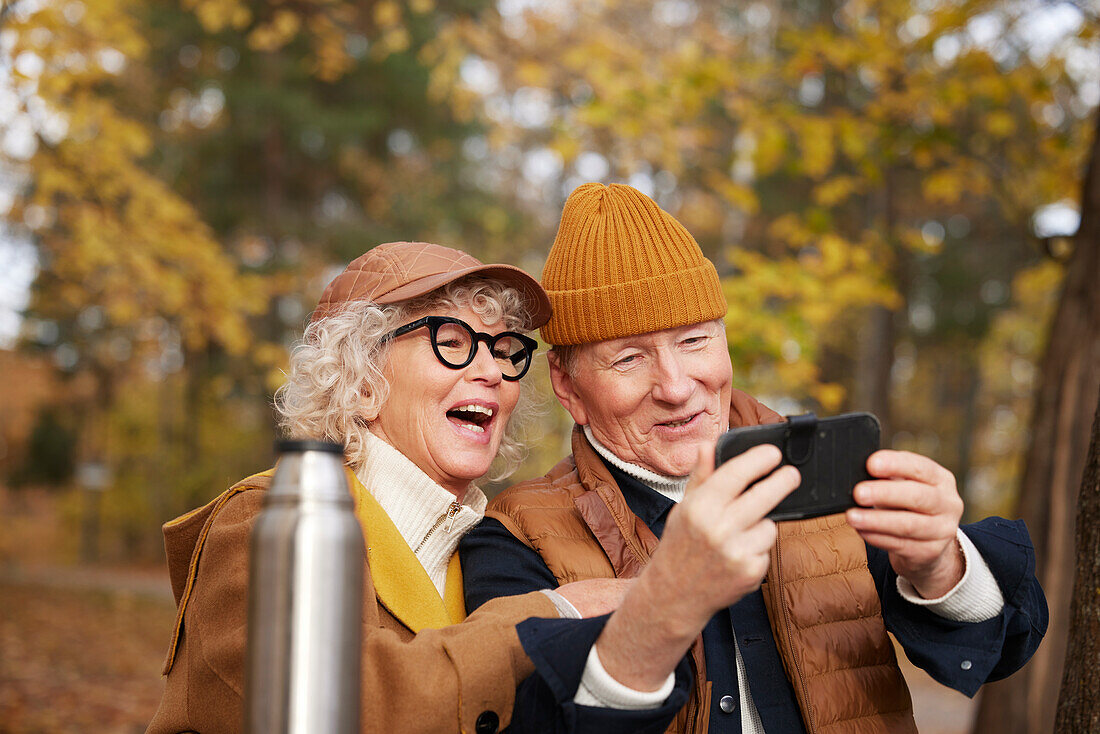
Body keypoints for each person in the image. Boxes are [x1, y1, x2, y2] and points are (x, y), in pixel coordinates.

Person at [147, 240, 802, 734]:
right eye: (453, 342)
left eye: (507, 348)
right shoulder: (277, 519)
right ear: (361, 369)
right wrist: (559, 612)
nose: (491, 369)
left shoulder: (480, 551)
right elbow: (335, 712)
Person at [461, 184, 1048, 734]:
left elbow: (1004, 645)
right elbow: (528, 716)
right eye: (629, 359)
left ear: (725, 340)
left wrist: (940, 564)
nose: (676, 385)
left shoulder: (822, 476)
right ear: (567, 388)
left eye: (694, 340)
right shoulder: (513, 539)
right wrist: (668, 599)